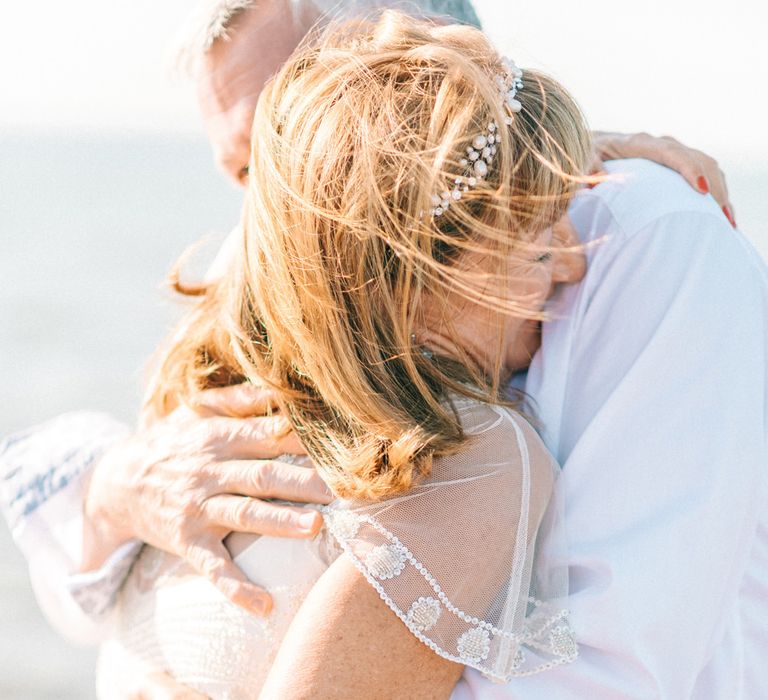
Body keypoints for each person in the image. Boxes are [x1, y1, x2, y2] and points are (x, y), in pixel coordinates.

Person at [1, 0, 757, 696]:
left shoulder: (647, 243)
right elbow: (64, 535)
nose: (277, 203)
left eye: (303, 127)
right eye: (249, 169)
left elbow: (613, 668)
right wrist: (115, 484)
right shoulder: (255, 304)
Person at [98, 18, 592, 697]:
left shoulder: (216, 403)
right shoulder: (483, 458)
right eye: (538, 244)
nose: (571, 268)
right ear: (424, 273)